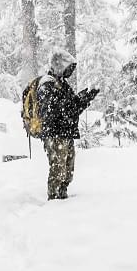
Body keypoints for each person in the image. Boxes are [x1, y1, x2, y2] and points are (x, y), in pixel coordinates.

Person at [37, 50, 99, 200]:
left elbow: (71, 110)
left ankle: (62, 195)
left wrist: (84, 99)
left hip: (65, 132)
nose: (69, 71)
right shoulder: (47, 83)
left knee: (68, 169)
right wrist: (73, 102)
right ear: (59, 65)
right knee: (58, 168)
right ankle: (53, 198)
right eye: (68, 67)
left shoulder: (63, 84)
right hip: (54, 133)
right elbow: (53, 110)